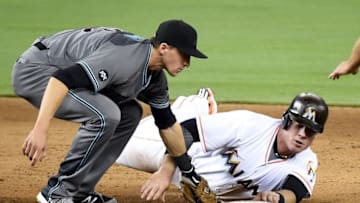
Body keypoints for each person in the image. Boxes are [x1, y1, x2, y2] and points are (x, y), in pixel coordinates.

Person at [11, 19, 208, 203]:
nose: (187, 63)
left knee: (130, 113)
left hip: (59, 73)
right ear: (164, 48)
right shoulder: (125, 59)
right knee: (106, 115)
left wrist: (187, 170)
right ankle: (56, 193)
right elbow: (62, 79)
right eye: (184, 54)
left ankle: (80, 192)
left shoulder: (154, 77)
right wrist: (40, 129)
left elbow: (167, 124)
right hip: (37, 71)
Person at [115, 89, 328, 203]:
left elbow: (295, 192)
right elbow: (186, 132)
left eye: (310, 131)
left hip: (202, 183)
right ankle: (198, 105)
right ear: (287, 120)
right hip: (181, 156)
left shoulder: (306, 161)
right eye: (299, 126)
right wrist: (165, 172)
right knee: (116, 145)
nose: (302, 135)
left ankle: (203, 115)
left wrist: (279, 198)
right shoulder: (249, 125)